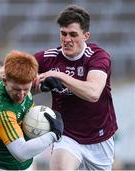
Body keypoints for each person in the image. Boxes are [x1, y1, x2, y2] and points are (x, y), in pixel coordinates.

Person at [33, 4, 118, 170]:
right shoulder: (48, 58)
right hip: (67, 136)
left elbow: (93, 93)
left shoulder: (97, 57)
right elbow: (8, 75)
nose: (66, 40)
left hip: (99, 138)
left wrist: (59, 76)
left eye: (73, 34)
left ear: (86, 36)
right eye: (63, 34)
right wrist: (38, 86)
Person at [0, 50, 63, 170]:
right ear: (4, 81)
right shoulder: (0, 109)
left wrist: (41, 87)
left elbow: (26, 91)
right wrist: (54, 134)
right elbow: (21, 152)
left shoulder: (20, 85)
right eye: (16, 89)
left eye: (26, 89)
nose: (21, 94)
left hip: (23, 166)